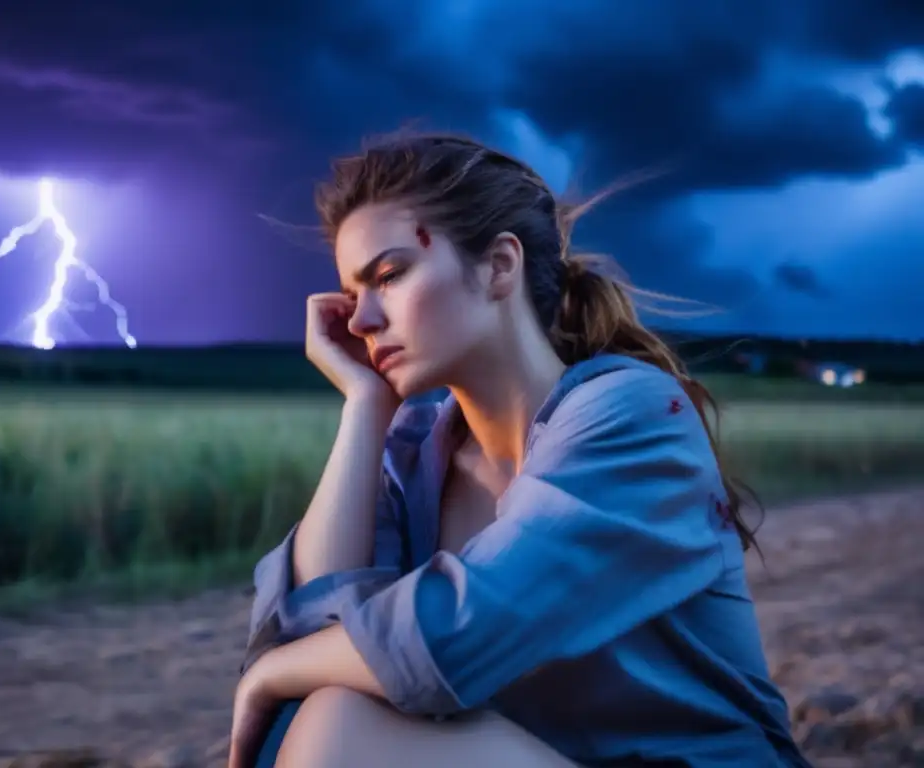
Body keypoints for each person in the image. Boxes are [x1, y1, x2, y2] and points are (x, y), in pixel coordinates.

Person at [227, 133, 810, 768]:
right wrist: (364, 406)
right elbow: (310, 630)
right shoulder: (418, 457)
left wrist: (270, 674)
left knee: (336, 728)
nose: (362, 321)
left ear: (499, 265)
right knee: (329, 711)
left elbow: (458, 636)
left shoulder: (632, 414)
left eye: (389, 276)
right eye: (353, 294)